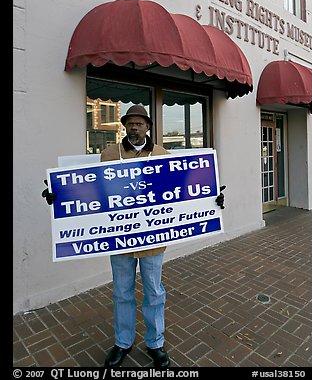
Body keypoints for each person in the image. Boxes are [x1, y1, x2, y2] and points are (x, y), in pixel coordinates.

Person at [42, 104, 225, 368]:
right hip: (119, 240)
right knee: (122, 293)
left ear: (148, 127)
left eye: (139, 123)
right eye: (130, 123)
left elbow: (185, 189)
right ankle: (123, 342)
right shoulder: (108, 154)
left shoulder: (163, 155)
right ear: (124, 126)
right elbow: (91, 190)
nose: (134, 128)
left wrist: (212, 199)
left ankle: (156, 343)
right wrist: (59, 195)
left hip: (153, 240)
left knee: (154, 292)